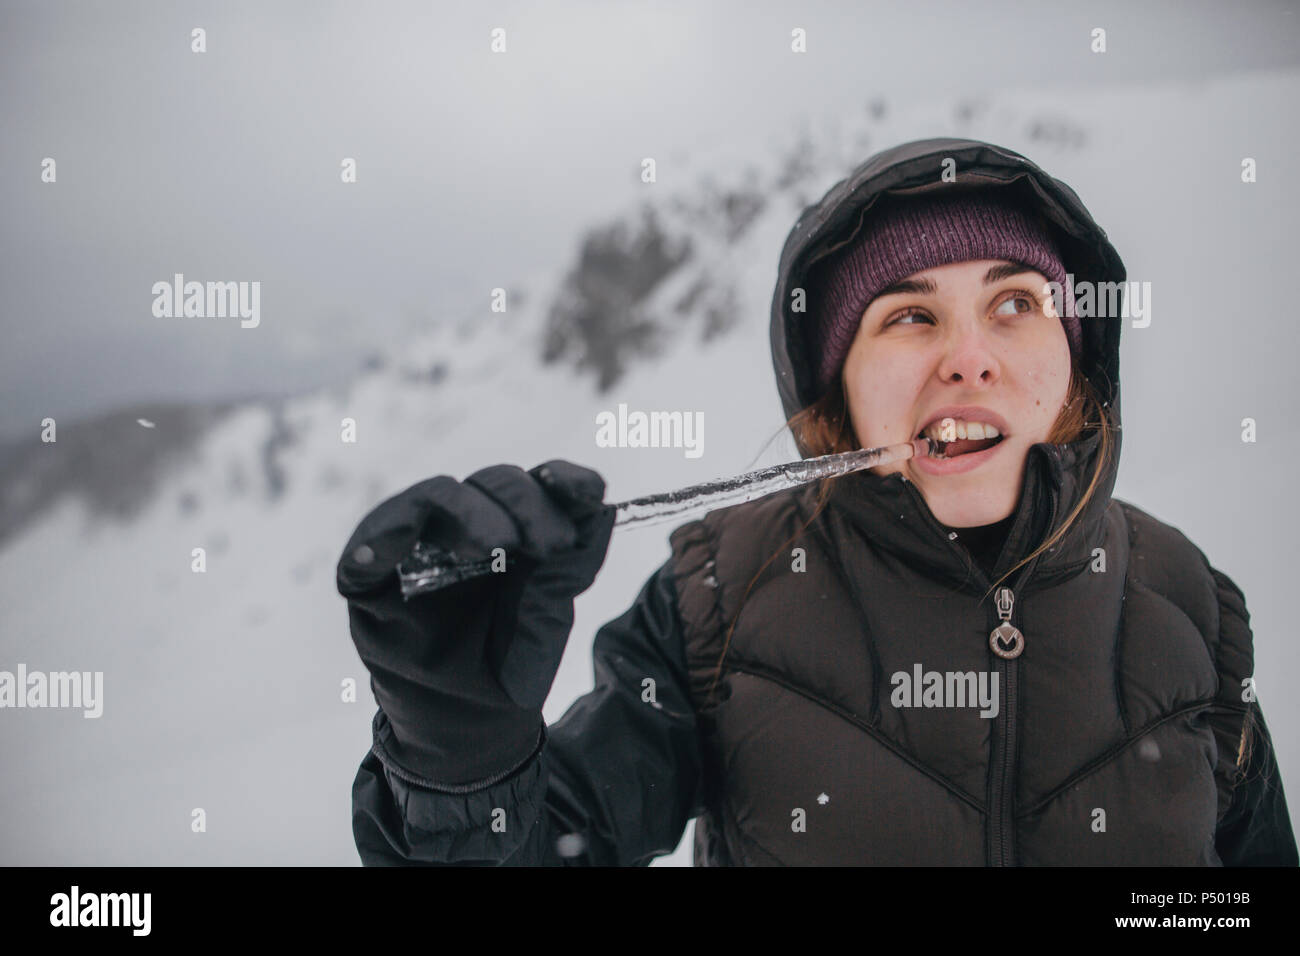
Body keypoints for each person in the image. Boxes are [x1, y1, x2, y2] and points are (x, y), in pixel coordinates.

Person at [337, 137, 1297, 866]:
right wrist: (460, 761)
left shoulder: (1193, 610)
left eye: (1017, 304)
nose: (971, 353)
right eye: (910, 316)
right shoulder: (715, 601)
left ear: (1078, 360)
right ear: (838, 401)